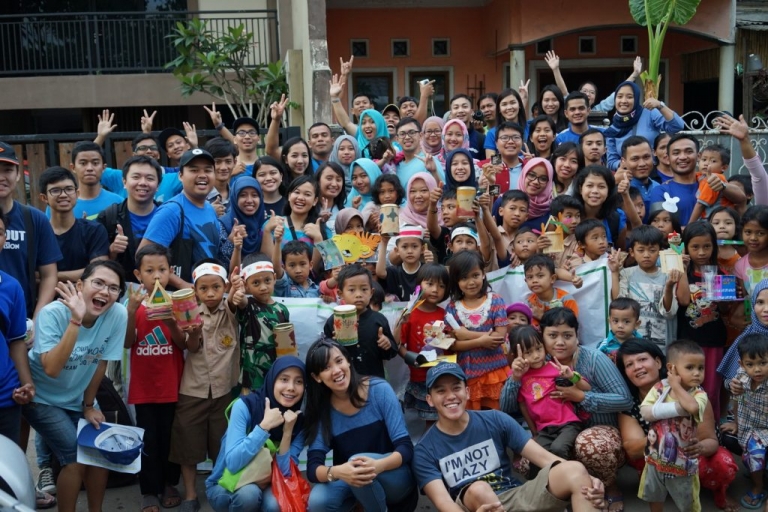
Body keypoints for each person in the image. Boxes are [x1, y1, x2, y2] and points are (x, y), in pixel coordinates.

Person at [414, 361, 606, 512]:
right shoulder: (424, 450)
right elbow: (444, 503)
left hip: (514, 495)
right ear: (429, 400)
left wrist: (588, 478)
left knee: (575, 470)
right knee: (479, 489)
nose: (450, 396)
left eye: (456, 388)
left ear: (467, 392)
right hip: (472, 506)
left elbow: (545, 458)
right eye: (441, 391)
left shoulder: (495, 419)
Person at [23, 260, 128, 512]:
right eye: (98, 283)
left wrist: (89, 405)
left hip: (78, 397)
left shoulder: (117, 314)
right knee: (75, 457)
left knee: (99, 452)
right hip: (40, 397)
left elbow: (100, 362)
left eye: (113, 288)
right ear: (80, 286)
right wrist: (76, 320)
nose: (105, 292)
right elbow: (51, 368)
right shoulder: (52, 314)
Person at [500, 308, 633, 504]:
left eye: (567, 335)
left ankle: (607, 484)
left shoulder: (594, 359)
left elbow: (624, 399)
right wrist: (516, 378)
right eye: (553, 335)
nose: (560, 342)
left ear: (577, 335)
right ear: (542, 337)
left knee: (587, 445)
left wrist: (581, 397)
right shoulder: (535, 361)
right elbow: (507, 407)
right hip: (552, 431)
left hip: (597, 433)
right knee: (530, 460)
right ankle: (558, 493)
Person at [616, 339, 738, 512]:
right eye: (629, 364)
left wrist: (699, 447)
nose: (637, 367)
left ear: (659, 363)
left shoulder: (697, 395)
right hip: (656, 457)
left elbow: (711, 440)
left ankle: (719, 491)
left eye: (642, 359)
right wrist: (663, 437)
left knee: (722, 464)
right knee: (650, 468)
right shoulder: (632, 402)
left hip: (689, 456)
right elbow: (632, 450)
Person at [304, 338, 416, 511]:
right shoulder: (323, 411)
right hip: (356, 480)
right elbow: (313, 468)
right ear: (316, 377)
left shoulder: (379, 390)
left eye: (339, 361)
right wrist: (338, 472)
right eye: (326, 368)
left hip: (396, 477)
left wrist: (378, 465)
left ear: (348, 361)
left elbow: (406, 448)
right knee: (318, 500)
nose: (336, 370)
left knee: (358, 465)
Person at [170, 259, 242, 512]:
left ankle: (219, 489)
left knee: (222, 445)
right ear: (195, 290)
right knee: (187, 444)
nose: (210, 293)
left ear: (225, 288)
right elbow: (190, 348)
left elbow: (235, 300)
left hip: (224, 390)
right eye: (204, 288)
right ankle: (191, 494)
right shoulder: (189, 312)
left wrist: (236, 285)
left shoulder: (231, 309)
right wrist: (193, 333)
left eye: (216, 287)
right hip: (193, 389)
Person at [124, 244, 185, 512]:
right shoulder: (133, 304)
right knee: (148, 440)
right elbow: (127, 343)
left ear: (171, 271)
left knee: (171, 437)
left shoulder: (178, 302)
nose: (157, 276)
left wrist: (170, 320)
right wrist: (130, 312)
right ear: (138, 275)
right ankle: (149, 489)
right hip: (144, 387)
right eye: (150, 271)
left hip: (172, 384)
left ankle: (170, 483)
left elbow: (183, 344)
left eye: (162, 270)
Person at [205, 356, 306, 512]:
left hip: (267, 484)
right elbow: (233, 463)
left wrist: (287, 432)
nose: (291, 387)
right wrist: (264, 427)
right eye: (284, 379)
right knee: (248, 495)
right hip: (225, 483)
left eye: (298, 381)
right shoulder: (245, 406)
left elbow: (285, 474)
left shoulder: (298, 420)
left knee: (275, 504)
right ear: (272, 380)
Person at [638, 340, 708, 512]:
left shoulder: (699, 394)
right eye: (690, 367)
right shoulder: (659, 388)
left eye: (701, 368)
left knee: (688, 504)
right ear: (672, 368)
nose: (697, 373)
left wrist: (675, 385)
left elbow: (691, 407)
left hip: (682, 464)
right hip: (655, 459)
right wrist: (676, 406)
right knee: (654, 496)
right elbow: (645, 412)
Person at [140, 148, 220, 288]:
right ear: (180, 176)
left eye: (208, 170)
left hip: (208, 294)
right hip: (180, 297)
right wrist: (183, 285)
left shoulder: (209, 208)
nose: (202, 175)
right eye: (194, 170)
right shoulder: (171, 211)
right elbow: (143, 257)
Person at [510, 326, 590, 461]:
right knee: (536, 457)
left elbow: (587, 387)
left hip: (568, 424)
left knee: (558, 449)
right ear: (517, 356)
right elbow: (523, 406)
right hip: (544, 430)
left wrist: (572, 376)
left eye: (538, 348)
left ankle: (569, 474)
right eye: (528, 352)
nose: (536, 355)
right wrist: (534, 432)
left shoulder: (555, 367)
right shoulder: (519, 377)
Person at [0, 142, 61, 320]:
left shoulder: (35, 219)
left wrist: (38, 319)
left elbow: (49, 275)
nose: (2, 177)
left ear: (18, 174)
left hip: (22, 319)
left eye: (7, 170)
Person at [444, 251, 508, 410]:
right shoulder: (452, 308)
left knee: (496, 416)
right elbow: (452, 344)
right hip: (467, 374)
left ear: (483, 274)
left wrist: (467, 335)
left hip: (495, 372)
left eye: (475, 275)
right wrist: (481, 341)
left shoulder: (495, 301)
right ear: (456, 280)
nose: (471, 282)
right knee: (473, 418)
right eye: (464, 278)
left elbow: (499, 337)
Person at [609, 225, 688, 351]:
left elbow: (669, 312)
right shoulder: (627, 274)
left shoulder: (668, 275)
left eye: (652, 250)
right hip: (632, 343)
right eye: (641, 250)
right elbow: (619, 303)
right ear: (632, 252)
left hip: (662, 344)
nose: (646, 255)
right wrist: (614, 272)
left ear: (660, 252)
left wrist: (669, 286)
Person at [649, 135, 745, 228]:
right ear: (668, 158)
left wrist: (723, 186)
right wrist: (687, 232)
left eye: (689, 151)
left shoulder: (712, 181)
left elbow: (741, 199)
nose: (682, 157)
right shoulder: (660, 191)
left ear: (698, 156)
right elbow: (660, 228)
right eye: (676, 153)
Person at [394, 263, 449, 425]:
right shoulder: (410, 314)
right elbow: (398, 345)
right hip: (420, 378)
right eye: (430, 284)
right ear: (419, 285)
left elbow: (449, 344)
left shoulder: (445, 314)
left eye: (441, 286)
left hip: (442, 375)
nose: (435, 290)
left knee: (444, 418)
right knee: (430, 422)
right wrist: (412, 358)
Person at [719, 333, 768, 509]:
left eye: (763, 363)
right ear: (741, 364)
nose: (757, 369)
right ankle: (758, 485)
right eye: (750, 364)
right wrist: (735, 423)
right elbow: (736, 399)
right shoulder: (741, 377)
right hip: (750, 429)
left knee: (758, 454)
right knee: (754, 453)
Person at [323, 264, 397, 378]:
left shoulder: (379, 320)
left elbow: (391, 353)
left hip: (373, 380)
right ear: (340, 294)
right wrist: (333, 343)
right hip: (345, 381)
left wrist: (387, 344)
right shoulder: (333, 321)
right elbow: (325, 354)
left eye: (364, 289)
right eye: (352, 290)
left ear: (371, 292)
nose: (358, 295)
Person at [97, 155, 161, 283]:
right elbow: (97, 266)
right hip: (122, 289)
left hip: (164, 288)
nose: (142, 183)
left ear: (158, 185)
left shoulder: (169, 215)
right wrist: (112, 251)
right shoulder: (108, 217)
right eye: (136, 177)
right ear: (124, 182)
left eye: (149, 178)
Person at [0, 208, 35, 446]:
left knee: (7, 464)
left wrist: (26, 384)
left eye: (0, 232)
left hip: (5, 397)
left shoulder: (11, 287)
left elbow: (16, 341)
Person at [38, 166, 109, 282]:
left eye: (69, 189)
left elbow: (100, 271)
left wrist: (49, 277)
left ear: (77, 193)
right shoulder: (37, 234)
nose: (63, 195)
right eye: (55, 190)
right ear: (44, 197)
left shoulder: (94, 230)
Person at [604, 81, 684, 171]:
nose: (623, 101)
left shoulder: (649, 113)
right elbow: (611, 162)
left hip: (654, 173)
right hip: (630, 175)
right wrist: (627, 164)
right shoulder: (613, 129)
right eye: (619, 96)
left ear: (636, 98)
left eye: (629, 97)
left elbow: (677, 126)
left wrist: (660, 105)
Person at [235, 259, 289, 390]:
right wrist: (239, 294)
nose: (263, 287)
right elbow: (242, 302)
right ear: (246, 285)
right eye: (256, 283)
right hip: (251, 373)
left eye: (267, 280)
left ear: (274, 278)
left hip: (276, 370)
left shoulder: (282, 309)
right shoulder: (249, 305)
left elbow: (287, 343)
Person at [218, 176, 266, 271]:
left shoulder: (264, 222)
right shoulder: (224, 224)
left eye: (254, 195)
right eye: (243, 195)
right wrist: (231, 240)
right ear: (234, 198)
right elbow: (220, 263)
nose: (249, 200)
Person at [573, 165, 627, 249]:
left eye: (601, 187)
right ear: (580, 189)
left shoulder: (617, 218)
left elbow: (621, 251)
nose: (595, 191)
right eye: (590, 185)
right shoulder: (568, 215)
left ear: (609, 190)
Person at [66, 141, 123, 219]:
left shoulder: (119, 203)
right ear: (73, 167)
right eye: (83, 163)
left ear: (103, 168)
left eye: (95, 163)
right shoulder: (62, 205)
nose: (89, 168)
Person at [524, 254, 579, 326]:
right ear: (525, 281)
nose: (534, 280)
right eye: (530, 277)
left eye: (540, 276)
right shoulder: (530, 302)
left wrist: (542, 317)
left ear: (552, 278)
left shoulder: (566, 299)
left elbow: (570, 326)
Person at [688, 144, 736, 224]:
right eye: (704, 159)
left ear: (724, 167)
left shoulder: (714, 179)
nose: (706, 163)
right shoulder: (701, 176)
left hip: (716, 221)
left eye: (713, 161)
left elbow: (700, 205)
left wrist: (689, 225)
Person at [395, 117, 445, 188]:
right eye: (402, 134)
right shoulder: (395, 166)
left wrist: (434, 172)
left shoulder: (430, 161)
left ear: (421, 136)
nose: (407, 137)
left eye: (412, 132)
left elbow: (443, 190)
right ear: (397, 139)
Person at [620, 136, 658, 221]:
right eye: (635, 159)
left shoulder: (659, 187)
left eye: (646, 157)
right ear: (623, 161)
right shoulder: (621, 189)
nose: (642, 164)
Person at [484, 89, 527, 158]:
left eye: (513, 103)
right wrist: (508, 163)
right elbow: (493, 162)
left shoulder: (531, 127)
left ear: (519, 105)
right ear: (499, 109)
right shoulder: (492, 133)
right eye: (504, 104)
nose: (509, 107)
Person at [597, 297, 642, 362]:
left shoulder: (642, 343)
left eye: (626, 322)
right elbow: (596, 362)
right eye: (616, 321)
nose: (620, 326)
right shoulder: (605, 345)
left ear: (636, 324)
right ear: (610, 321)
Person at [518, 157, 553, 229]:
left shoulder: (552, 208)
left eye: (543, 179)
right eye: (531, 175)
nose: (535, 182)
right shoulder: (505, 202)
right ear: (524, 174)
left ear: (549, 182)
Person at [205, 137, 237, 213]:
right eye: (217, 162)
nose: (223, 167)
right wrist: (208, 212)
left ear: (235, 162)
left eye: (228, 162)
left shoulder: (237, 196)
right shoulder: (197, 195)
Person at [448, 94, 484, 158]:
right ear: (450, 114)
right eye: (456, 107)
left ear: (472, 112)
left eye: (464, 106)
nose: (460, 111)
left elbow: (493, 161)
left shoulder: (481, 138)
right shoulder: (445, 138)